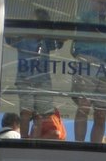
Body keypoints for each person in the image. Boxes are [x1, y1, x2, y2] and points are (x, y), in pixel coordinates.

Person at [71, 0, 106, 143]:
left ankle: (96, 147)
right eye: (100, 3)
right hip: (88, 61)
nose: (103, 7)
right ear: (92, 0)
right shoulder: (82, 18)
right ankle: (79, 145)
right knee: (84, 105)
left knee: (101, 114)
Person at [5, 8, 63, 137]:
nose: (38, 30)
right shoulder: (23, 38)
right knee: (26, 112)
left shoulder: (46, 41)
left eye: (42, 26)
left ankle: (33, 141)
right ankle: (25, 139)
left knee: (40, 115)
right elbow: (8, 38)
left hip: (42, 80)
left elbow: (59, 42)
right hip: (26, 78)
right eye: (36, 25)